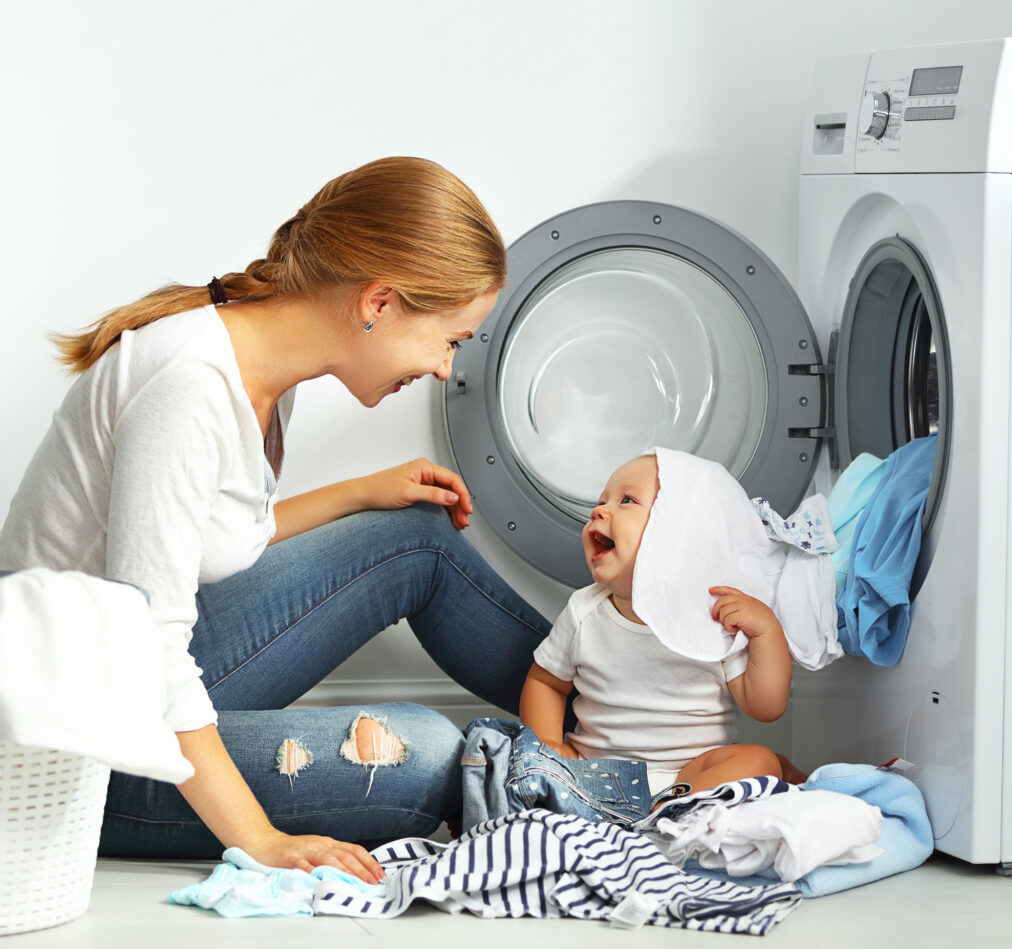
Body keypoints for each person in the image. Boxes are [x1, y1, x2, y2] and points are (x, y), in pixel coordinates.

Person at [0, 156, 552, 880]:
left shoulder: (262, 370)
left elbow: (206, 540)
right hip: (72, 743)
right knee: (421, 752)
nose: (447, 368)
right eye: (450, 339)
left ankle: (621, 722)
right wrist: (259, 840)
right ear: (378, 302)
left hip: (124, 674)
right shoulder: (189, 387)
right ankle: (587, 766)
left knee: (415, 535)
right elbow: (151, 648)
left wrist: (359, 492)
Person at [519, 452, 805, 804]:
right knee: (509, 758)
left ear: (678, 531)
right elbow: (546, 682)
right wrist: (549, 745)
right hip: (594, 771)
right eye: (601, 501)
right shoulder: (584, 611)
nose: (599, 511)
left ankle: (675, 806)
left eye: (626, 500)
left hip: (693, 772)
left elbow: (766, 706)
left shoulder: (712, 615)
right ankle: (656, 811)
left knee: (759, 760)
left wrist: (766, 632)